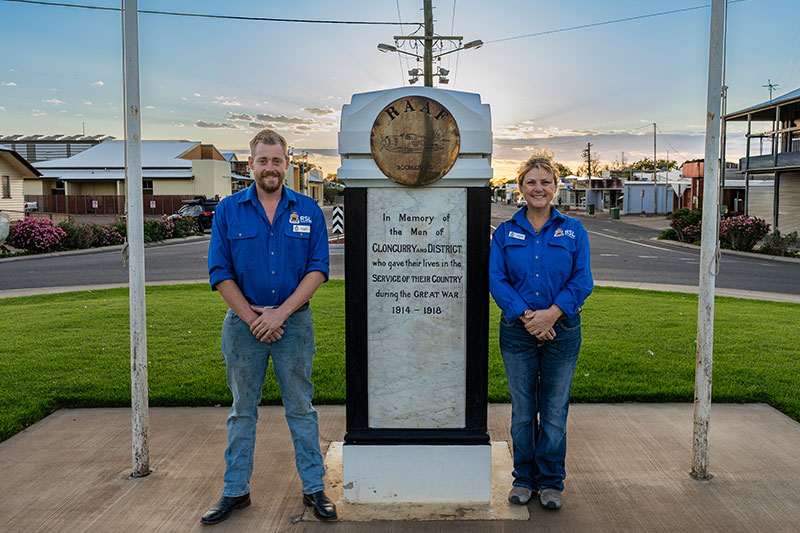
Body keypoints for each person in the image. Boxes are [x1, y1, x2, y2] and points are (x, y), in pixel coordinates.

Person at [202, 129, 336, 524]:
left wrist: (280, 315)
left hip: (294, 324)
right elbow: (219, 270)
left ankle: (314, 488)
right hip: (243, 326)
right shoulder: (229, 210)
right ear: (251, 165)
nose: (270, 167)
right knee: (242, 410)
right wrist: (253, 318)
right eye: (263, 161)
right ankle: (235, 491)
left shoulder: (308, 209)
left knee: (301, 408)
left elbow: (318, 268)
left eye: (277, 160)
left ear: (287, 163)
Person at [489, 155, 593, 511]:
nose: (538, 188)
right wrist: (527, 317)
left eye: (545, 182)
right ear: (521, 187)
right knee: (522, 410)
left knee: (552, 411)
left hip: (562, 331)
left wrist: (551, 315)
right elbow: (497, 280)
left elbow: (582, 280)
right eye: (531, 182)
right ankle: (523, 478)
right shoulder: (505, 232)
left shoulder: (574, 231)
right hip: (517, 332)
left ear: (555, 187)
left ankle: (550, 481)